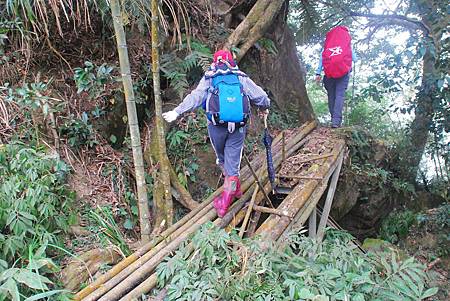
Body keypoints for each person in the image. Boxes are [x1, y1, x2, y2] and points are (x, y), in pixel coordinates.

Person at [162, 50, 270, 217]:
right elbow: (261, 96)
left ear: (215, 61)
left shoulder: (210, 77)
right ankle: (236, 189)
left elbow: (195, 97)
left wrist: (177, 111)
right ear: (231, 60)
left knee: (223, 160)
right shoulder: (240, 77)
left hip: (216, 127)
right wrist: (265, 107)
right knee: (233, 162)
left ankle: (223, 206)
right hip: (238, 128)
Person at [315, 25, 357, 128]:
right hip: (343, 74)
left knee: (331, 95)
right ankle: (336, 122)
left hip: (329, 74)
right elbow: (355, 59)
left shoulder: (329, 45)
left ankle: (333, 118)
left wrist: (318, 73)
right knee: (340, 96)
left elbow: (322, 58)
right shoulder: (346, 46)